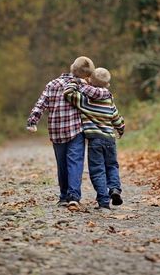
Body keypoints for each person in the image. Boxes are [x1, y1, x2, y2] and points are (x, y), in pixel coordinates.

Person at [27, 57, 111, 210]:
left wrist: (32, 121)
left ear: (71, 68)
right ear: (86, 75)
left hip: (56, 131)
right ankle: (74, 197)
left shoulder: (52, 84)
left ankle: (63, 197)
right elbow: (98, 99)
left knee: (62, 165)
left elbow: (41, 104)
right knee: (75, 162)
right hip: (76, 131)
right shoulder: (82, 86)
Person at [64, 67, 125, 210]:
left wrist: (76, 81)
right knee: (112, 166)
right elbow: (116, 118)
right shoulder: (109, 99)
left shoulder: (86, 100)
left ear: (90, 80)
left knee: (98, 170)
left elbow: (68, 93)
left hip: (94, 141)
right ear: (107, 85)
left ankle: (104, 201)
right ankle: (115, 189)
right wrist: (121, 129)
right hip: (110, 139)